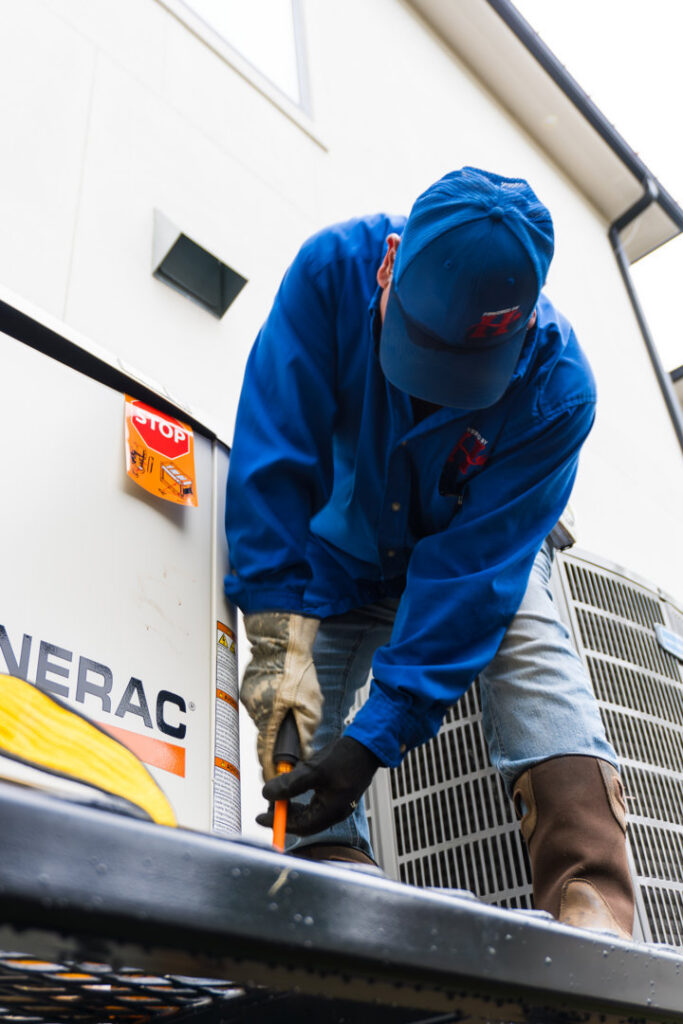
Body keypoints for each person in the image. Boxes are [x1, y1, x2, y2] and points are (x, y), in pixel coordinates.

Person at [225, 167, 634, 938]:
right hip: (332, 568)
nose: (437, 395)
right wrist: (278, 642)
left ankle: (591, 896)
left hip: (461, 569)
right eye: (417, 350)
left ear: (520, 327)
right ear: (387, 264)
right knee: (294, 723)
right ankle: (333, 865)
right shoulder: (328, 276)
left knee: (532, 654)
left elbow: (472, 575)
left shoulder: (558, 391)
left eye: (463, 377)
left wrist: (379, 735)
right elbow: (274, 464)